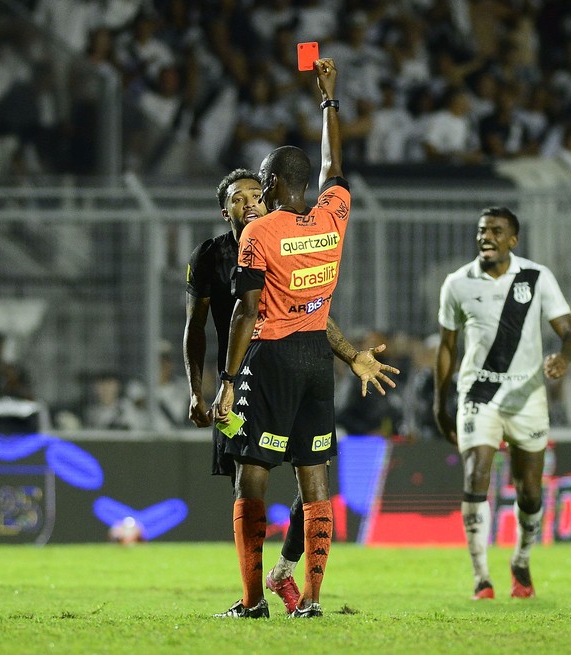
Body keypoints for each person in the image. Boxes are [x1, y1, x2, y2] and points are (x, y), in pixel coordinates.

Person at [184, 165, 398, 617]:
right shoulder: (211, 255)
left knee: (308, 474)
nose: (250, 203)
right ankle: (256, 592)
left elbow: (312, 313)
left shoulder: (279, 235)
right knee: (248, 475)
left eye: (255, 195)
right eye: (238, 199)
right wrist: (198, 390)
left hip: (283, 367)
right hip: (242, 380)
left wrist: (352, 355)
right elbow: (195, 327)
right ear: (226, 213)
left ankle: (281, 572)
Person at [210, 58, 360, 620]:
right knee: (314, 478)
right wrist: (329, 102)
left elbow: (247, 311)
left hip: (270, 357)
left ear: (271, 187)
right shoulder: (333, 217)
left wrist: (228, 380)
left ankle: (251, 601)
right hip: (318, 359)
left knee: (252, 477)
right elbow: (335, 167)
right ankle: (313, 600)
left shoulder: (258, 230)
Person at [434, 206, 571, 600]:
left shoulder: (536, 277)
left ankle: (520, 558)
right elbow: (447, 347)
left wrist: (564, 357)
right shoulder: (458, 283)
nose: (487, 237)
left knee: (529, 491)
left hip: (527, 395)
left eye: (496, 231)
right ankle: (481, 577)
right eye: (482, 230)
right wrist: (439, 404)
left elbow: (570, 333)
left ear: (512, 240)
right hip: (478, 394)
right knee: (476, 474)